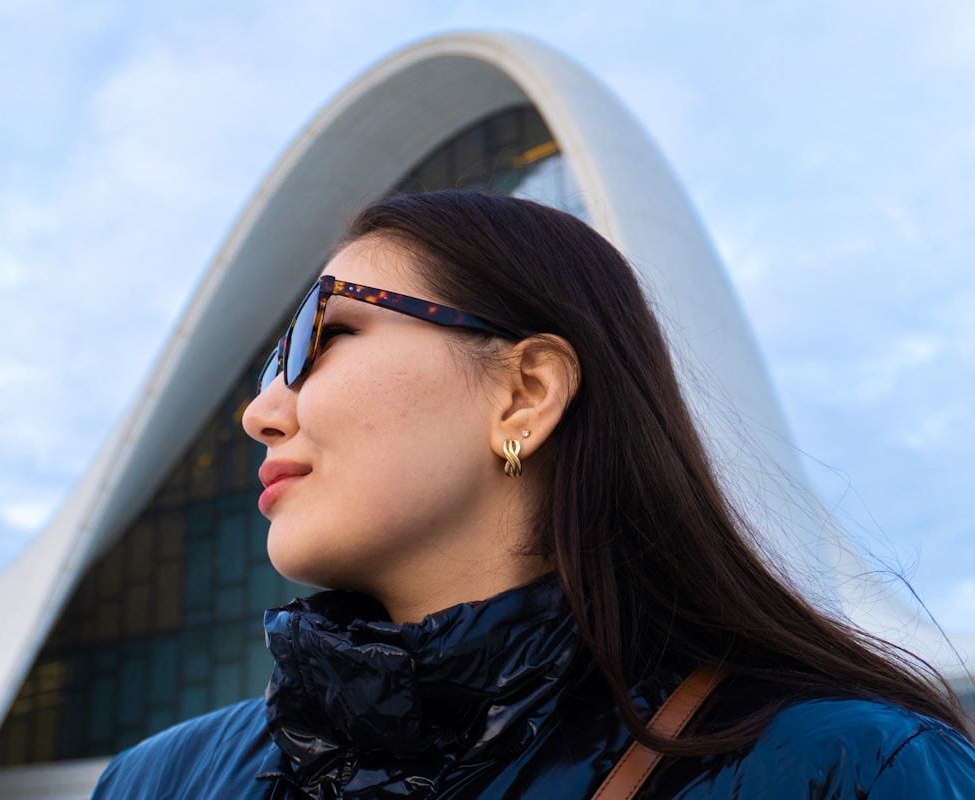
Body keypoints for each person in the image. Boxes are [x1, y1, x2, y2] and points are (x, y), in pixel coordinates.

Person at [90, 190, 975, 799]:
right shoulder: (162, 781)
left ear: (525, 395)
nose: (261, 412)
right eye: (266, 365)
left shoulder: (846, 768)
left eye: (323, 337)